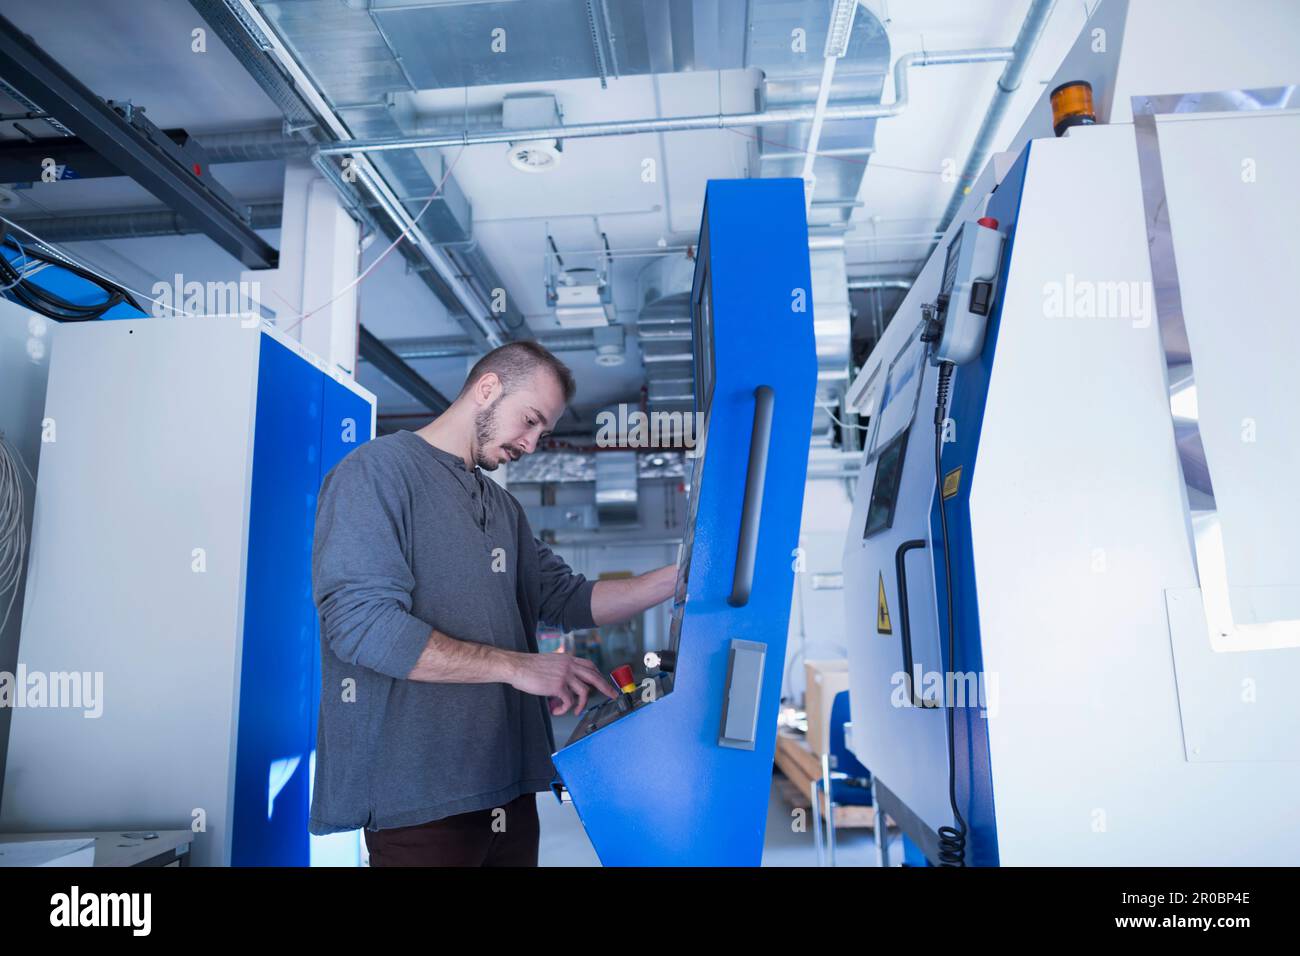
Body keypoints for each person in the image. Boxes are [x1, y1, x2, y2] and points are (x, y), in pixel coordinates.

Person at [308, 340, 676, 866]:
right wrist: (518, 668)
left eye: (541, 432)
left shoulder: (502, 506)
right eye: (528, 421)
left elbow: (569, 599)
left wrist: (684, 577)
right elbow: (362, 627)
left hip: (508, 789)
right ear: (487, 389)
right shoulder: (376, 473)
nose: (530, 444)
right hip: (421, 800)